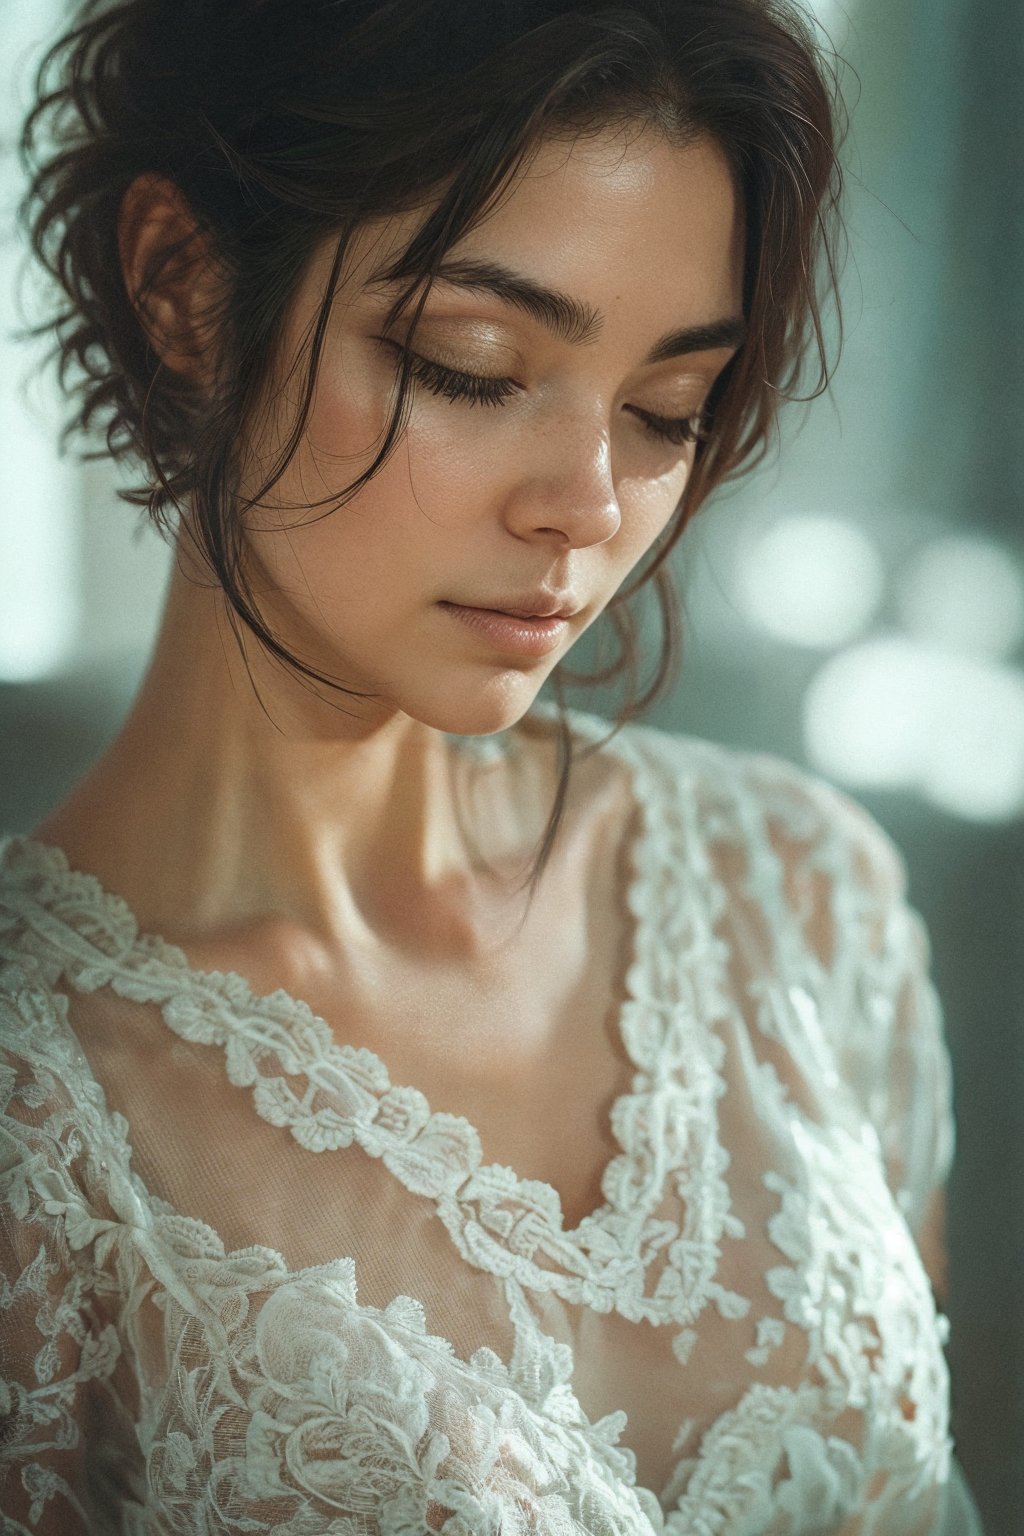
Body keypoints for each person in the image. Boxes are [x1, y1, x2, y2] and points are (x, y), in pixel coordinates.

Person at [0, 0, 985, 1531]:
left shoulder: (804, 898)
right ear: (182, 286)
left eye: (669, 408)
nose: (588, 504)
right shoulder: (38, 1121)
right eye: (471, 364)